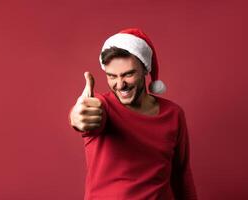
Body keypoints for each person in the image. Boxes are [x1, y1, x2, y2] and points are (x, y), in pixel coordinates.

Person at [69, 28, 197, 200]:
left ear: (145, 69)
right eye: (111, 76)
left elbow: (181, 175)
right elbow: (86, 116)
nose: (120, 85)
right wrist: (78, 116)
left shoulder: (173, 114)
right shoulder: (102, 106)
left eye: (128, 74)